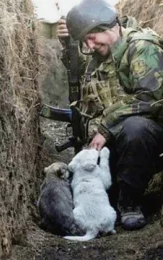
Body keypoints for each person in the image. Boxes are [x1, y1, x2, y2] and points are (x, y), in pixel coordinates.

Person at [56, 0, 163, 231]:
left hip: (144, 140)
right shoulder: (102, 53)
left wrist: (106, 128)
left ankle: (130, 204)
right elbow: (81, 73)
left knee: (136, 128)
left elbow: (151, 98)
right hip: (109, 144)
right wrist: (67, 44)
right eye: (85, 41)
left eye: (91, 37)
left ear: (106, 25)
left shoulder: (141, 47)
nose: (90, 45)